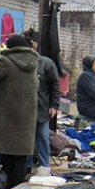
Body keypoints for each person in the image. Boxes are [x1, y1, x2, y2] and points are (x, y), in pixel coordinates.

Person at [0, 34, 39, 187]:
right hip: (27, 119)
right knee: (20, 158)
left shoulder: (6, 62)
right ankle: (17, 188)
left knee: (8, 157)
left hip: (7, 119)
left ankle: (8, 187)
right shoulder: (33, 62)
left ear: (11, 47)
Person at [23, 30, 60, 177]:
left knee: (43, 137)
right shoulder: (22, 62)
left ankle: (44, 165)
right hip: (25, 108)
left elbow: (54, 85)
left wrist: (54, 105)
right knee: (26, 138)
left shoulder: (46, 63)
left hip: (42, 107)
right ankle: (26, 166)